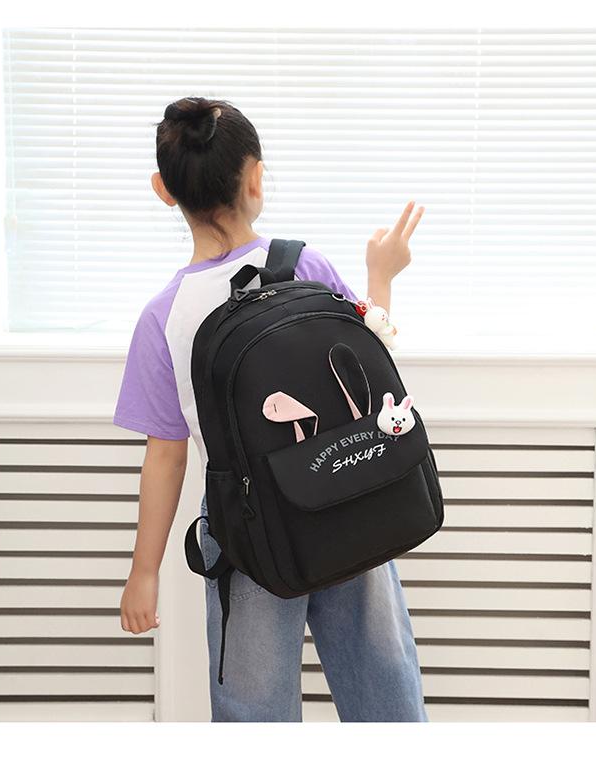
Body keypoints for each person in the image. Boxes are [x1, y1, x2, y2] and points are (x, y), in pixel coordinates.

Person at [114, 96, 426, 722]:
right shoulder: (305, 265)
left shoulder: (162, 318)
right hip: (343, 492)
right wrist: (382, 276)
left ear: (163, 191)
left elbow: (165, 459)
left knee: (253, 709)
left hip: (245, 530)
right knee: (384, 683)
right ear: (255, 179)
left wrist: (144, 571)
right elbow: (371, 356)